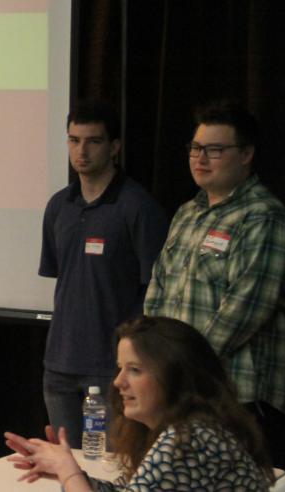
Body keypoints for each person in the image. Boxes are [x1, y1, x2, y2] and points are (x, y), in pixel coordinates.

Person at [143, 100, 285, 463]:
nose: (200, 159)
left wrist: (179, 366)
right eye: (196, 148)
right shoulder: (188, 213)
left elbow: (244, 312)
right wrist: (152, 355)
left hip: (239, 398)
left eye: (215, 150)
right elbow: (158, 290)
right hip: (183, 391)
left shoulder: (263, 218)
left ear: (246, 154)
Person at [4, 316, 274, 491]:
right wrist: (68, 472)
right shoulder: (196, 428)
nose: (118, 382)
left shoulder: (186, 439)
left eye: (134, 369)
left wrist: (68, 470)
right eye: (120, 368)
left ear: (174, 374)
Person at [38, 99, 168, 448]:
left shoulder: (137, 207)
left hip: (113, 368)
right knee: (68, 467)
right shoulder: (58, 206)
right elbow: (61, 277)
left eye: (93, 141)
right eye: (74, 140)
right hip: (60, 364)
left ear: (114, 147)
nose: (81, 150)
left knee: (114, 468)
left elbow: (154, 289)